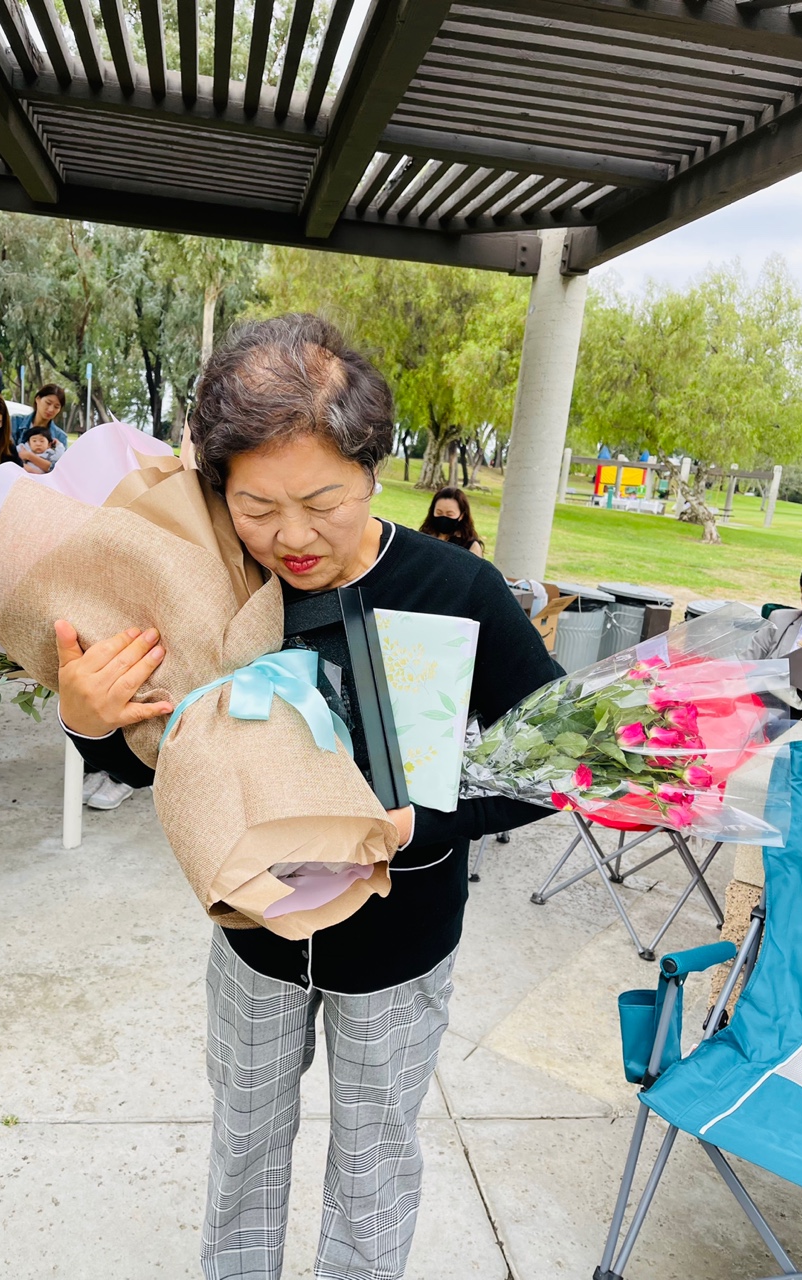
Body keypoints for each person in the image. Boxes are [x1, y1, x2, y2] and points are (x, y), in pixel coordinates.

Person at [53, 314, 558, 1280]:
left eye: (323, 502)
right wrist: (89, 722)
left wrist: (425, 821)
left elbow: (556, 762)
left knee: (373, 1163)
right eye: (255, 507)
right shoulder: (208, 586)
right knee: (243, 1146)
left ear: (373, 468)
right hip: (253, 940)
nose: (290, 537)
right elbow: (150, 765)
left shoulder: (458, 589)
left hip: (401, 947)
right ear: (218, 491)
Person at [419, 485, 484, 556]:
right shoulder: (423, 537)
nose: (443, 518)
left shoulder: (471, 547)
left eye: (449, 514)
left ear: (461, 515)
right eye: (439, 513)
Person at [11, 384, 68, 450]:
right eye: (48, 403)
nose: (51, 409)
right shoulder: (15, 421)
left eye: (56, 407)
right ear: (38, 399)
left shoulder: (60, 436)